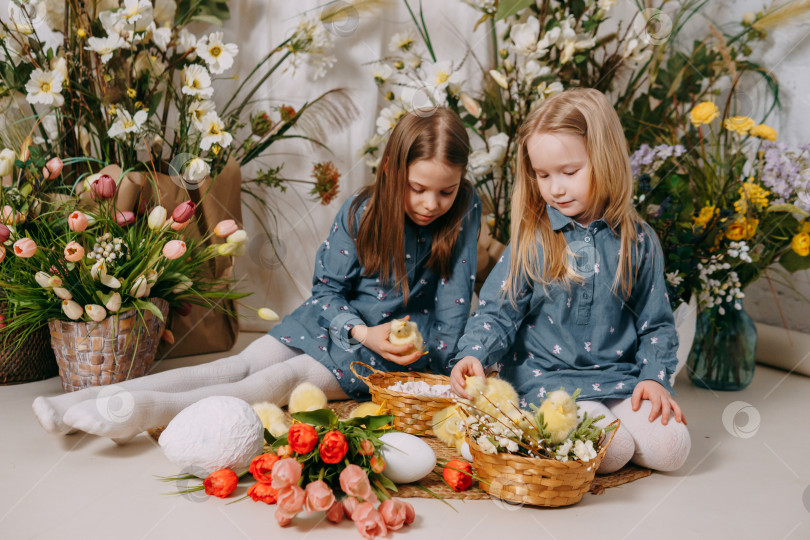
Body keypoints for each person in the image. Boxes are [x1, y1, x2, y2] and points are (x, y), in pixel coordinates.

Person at [33, 107, 481, 442]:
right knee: (236, 365)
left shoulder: (465, 209)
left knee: (271, 384)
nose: (430, 203)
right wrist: (362, 332)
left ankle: (139, 413)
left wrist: (432, 369)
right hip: (338, 322)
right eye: (417, 188)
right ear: (389, 170)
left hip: (392, 351)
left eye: (446, 190)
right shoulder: (363, 212)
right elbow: (326, 291)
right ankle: (75, 402)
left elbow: (454, 301)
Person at [449, 88, 690, 473]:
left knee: (673, 449)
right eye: (543, 175)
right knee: (613, 450)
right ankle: (551, 434)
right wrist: (474, 353)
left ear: (606, 159)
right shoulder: (533, 238)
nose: (555, 189)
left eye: (569, 172)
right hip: (548, 381)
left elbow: (656, 322)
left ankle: (573, 440)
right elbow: (498, 311)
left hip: (620, 379)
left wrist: (654, 378)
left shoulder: (638, 240)